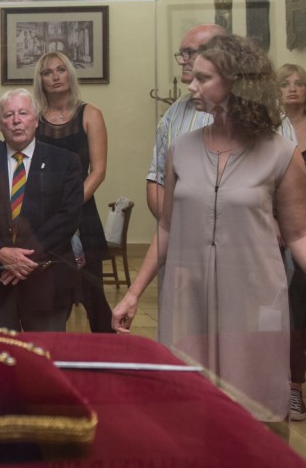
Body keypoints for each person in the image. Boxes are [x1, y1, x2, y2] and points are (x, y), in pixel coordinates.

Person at [113, 35, 306, 423]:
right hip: (189, 297)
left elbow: (299, 235)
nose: (191, 86)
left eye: (203, 78)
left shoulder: (280, 153)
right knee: (188, 405)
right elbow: (166, 228)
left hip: (253, 298)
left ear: (237, 82)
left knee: (253, 407)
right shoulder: (180, 149)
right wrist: (133, 294)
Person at [0, 89, 84, 331]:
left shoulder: (66, 161)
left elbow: (68, 218)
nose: (16, 120)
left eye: (23, 113)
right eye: (9, 115)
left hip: (47, 281)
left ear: (36, 120)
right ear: (0, 123)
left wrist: (21, 259)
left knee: (45, 353)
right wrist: (0, 252)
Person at [145, 23, 296, 218]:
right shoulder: (174, 113)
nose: (182, 61)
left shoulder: (265, 112)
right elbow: (157, 180)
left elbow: (290, 191)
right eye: (180, 54)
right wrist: (177, 227)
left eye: (189, 53)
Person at [33, 51, 113, 333]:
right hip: (43, 217)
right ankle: (51, 352)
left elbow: (98, 171)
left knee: (93, 294)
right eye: (47, 72)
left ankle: (108, 350)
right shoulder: (34, 119)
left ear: (70, 74)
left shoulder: (90, 114)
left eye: (60, 69)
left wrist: (69, 207)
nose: (55, 77)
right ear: (40, 81)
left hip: (82, 213)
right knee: (50, 294)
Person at [279, 63, 306, 420]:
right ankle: (293, 387)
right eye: (286, 83)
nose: (294, 88)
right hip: (281, 229)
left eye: (300, 83)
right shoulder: (271, 128)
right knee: (291, 308)